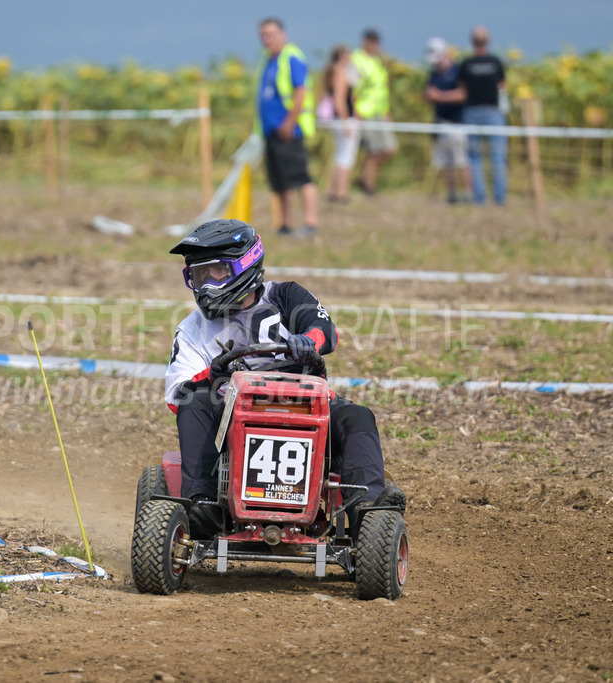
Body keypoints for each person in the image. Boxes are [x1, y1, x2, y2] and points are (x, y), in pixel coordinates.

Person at [165, 218, 406, 539]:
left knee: (358, 417)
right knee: (194, 402)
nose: (207, 284)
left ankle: (367, 507)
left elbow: (324, 329)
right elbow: (177, 394)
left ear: (245, 264)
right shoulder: (192, 329)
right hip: (233, 417)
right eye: (199, 275)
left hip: (303, 405)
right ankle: (204, 502)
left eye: (217, 271)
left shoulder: (285, 295)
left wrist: (309, 342)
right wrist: (214, 374)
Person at [256, 18, 318, 237]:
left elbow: (301, 91)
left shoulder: (291, 57)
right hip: (270, 131)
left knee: (300, 176)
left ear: (283, 34)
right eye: (263, 35)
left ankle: (310, 223)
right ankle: (284, 224)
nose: (266, 39)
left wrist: (289, 122)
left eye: (271, 34)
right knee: (279, 181)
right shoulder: (269, 60)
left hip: (289, 130)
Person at [457, 26, 508, 205]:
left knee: (475, 157)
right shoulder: (495, 62)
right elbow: (502, 86)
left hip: (471, 112)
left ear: (472, 42)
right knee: (497, 155)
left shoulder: (467, 63)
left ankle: (480, 198)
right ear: (488, 41)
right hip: (492, 112)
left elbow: (462, 88)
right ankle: (499, 199)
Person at [423, 38, 472, 204]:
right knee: (446, 163)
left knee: (462, 161)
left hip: (458, 124)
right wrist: (430, 96)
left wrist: (440, 96)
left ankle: (468, 194)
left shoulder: (458, 71)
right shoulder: (433, 74)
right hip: (440, 124)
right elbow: (427, 94)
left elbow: (464, 94)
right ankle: (452, 195)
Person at [351, 28, 397, 196]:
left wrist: (386, 112)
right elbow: (352, 88)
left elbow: (381, 90)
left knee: (389, 149)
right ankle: (369, 186)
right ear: (366, 42)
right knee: (374, 149)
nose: (377, 45)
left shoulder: (377, 62)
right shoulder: (357, 60)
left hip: (379, 112)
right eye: (373, 42)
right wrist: (355, 110)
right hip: (365, 112)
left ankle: (363, 178)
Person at [321, 45, 360, 203]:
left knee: (339, 156)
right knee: (346, 157)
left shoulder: (332, 72)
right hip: (342, 120)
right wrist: (346, 122)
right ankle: (342, 192)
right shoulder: (341, 72)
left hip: (337, 120)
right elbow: (339, 99)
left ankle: (331, 190)